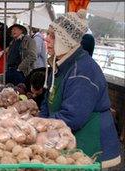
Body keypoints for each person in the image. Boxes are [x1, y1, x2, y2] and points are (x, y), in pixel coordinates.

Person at [40, 10, 121, 168]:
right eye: (47, 34)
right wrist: (39, 119)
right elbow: (47, 99)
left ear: (65, 41)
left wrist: (40, 126)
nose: (47, 40)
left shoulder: (82, 71)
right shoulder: (60, 63)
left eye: (52, 36)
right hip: (67, 135)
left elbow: (73, 116)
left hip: (91, 141)